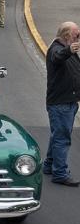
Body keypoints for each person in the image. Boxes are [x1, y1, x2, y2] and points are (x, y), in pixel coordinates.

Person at [43, 21, 80, 186]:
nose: (78, 37)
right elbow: (58, 57)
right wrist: (69, 50)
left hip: (68, 102)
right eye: (76, 34)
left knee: (57, 135)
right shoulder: (57, 49)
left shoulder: (67, 49)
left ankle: (49, 165)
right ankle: (60, 173)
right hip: (61, 104)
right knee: (62, 138)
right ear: (66, 35)